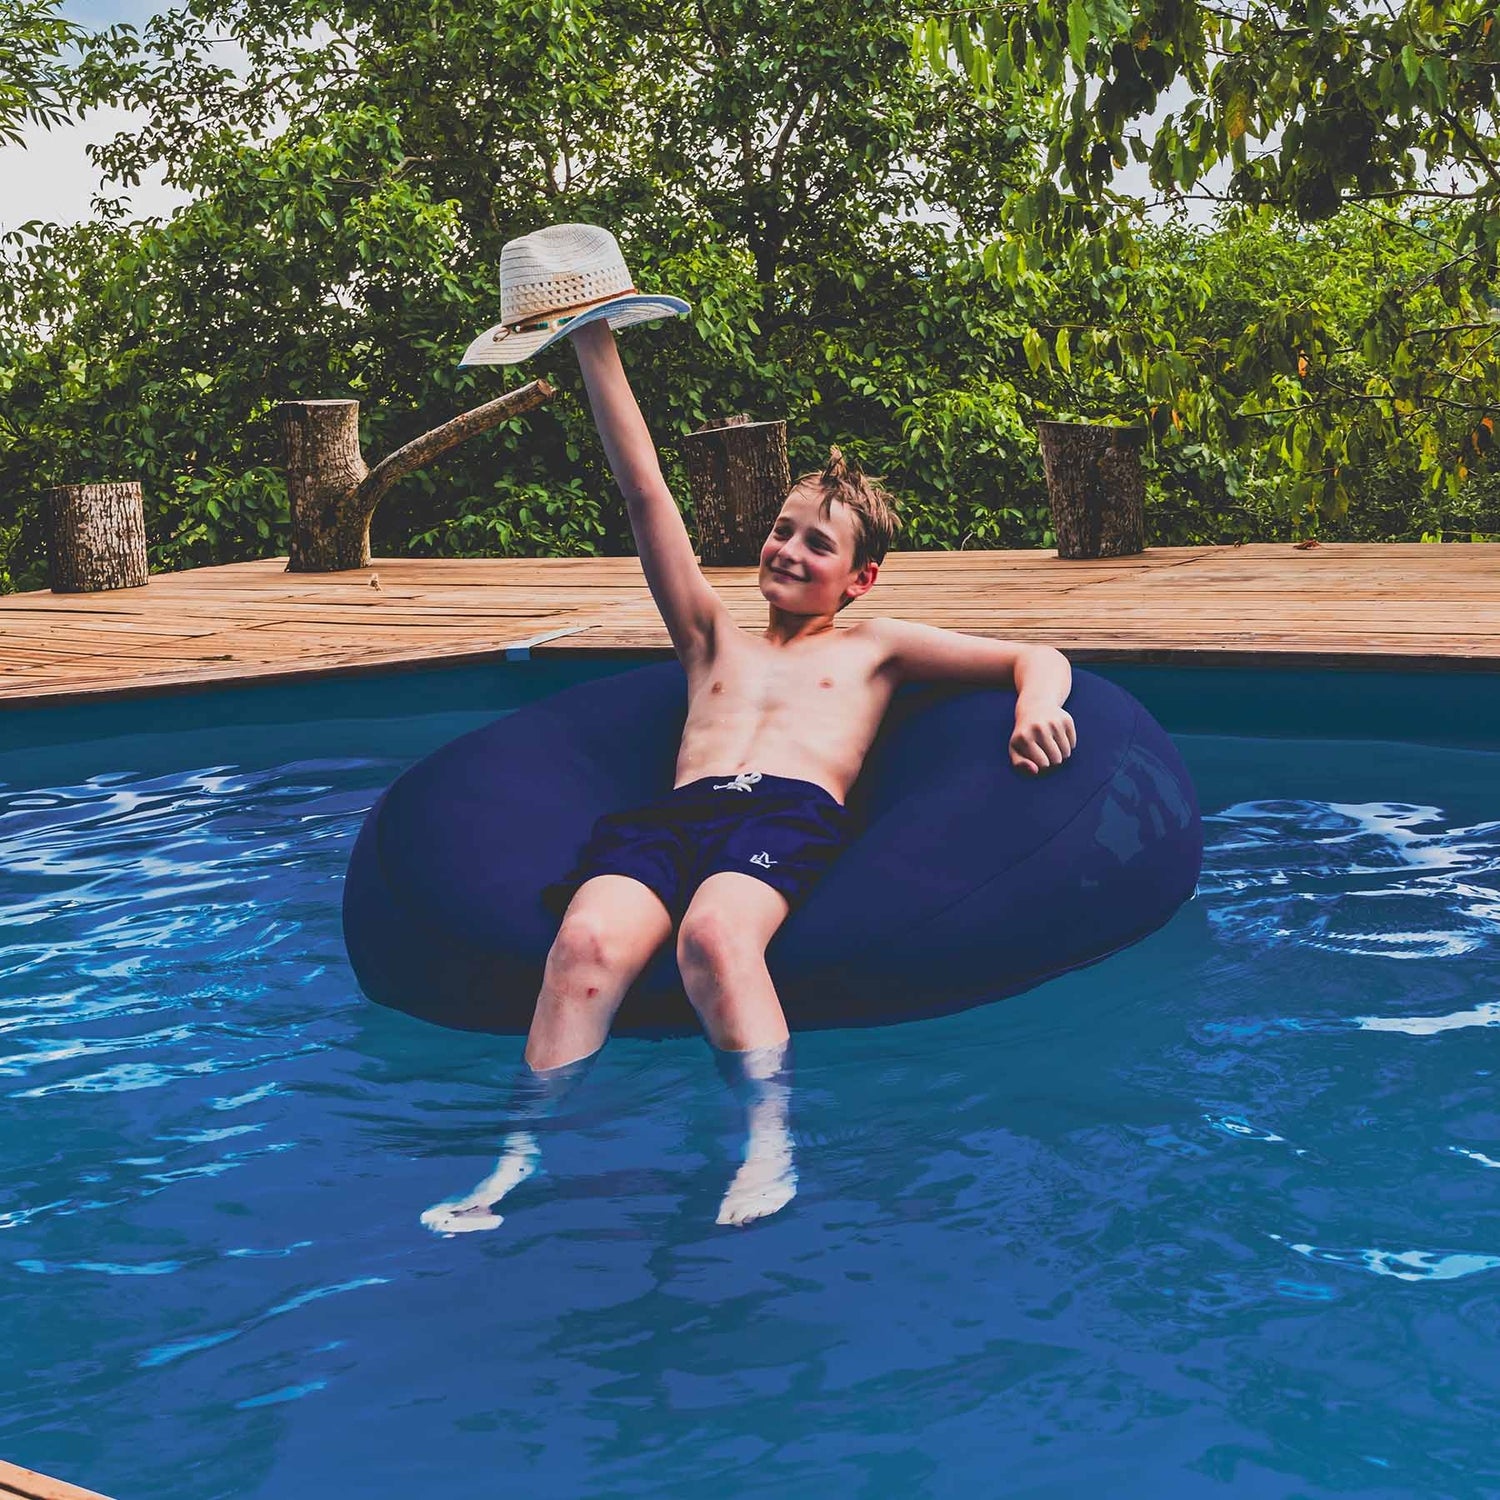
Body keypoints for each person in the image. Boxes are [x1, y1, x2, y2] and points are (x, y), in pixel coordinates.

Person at [424, 278, 1076, 1236]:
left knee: (715, 939)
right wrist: (593, 344)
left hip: (783, 812)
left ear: (861, 578)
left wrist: (1040, 706)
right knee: (585, 944)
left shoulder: (875, 644)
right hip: (675, 818)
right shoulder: (710, 642)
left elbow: (1036, 653)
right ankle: (516, 1158)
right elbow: (647, 497)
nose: (790, 551)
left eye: (820, 545)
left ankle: (768, 1142)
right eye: (781, 531)